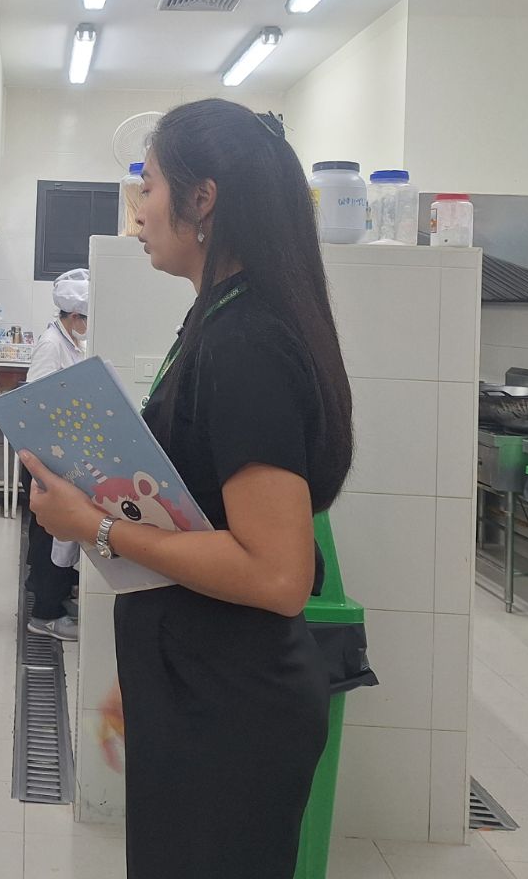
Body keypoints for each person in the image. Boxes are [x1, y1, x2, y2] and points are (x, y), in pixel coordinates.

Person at [23, 100, 354, 879]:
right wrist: (148, 673)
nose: (137, 213)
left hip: (234, 706)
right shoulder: (222, 317)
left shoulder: (247, 342)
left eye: (148, 188)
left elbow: (277, 574)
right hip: (200, 679)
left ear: (202, 200)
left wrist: (94, 527)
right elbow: (201, 518)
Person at [20, 268, 90, 641]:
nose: (88, 326)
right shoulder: (51, 345)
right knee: (55, 534)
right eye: (86, 319)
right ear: (74, 316)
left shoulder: (70, 343)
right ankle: (45, 616)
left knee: (49, 531)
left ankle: (45, 591)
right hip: (47, 456)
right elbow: (36, 401)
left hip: (58, 452)